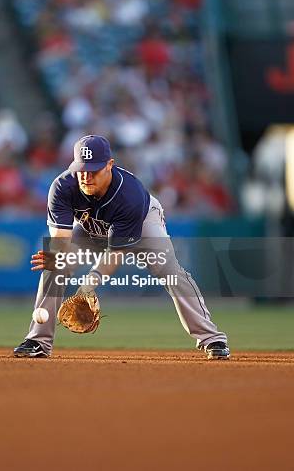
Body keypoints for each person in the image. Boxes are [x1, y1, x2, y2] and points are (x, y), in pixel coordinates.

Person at [14, 135, 230, 360]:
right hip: (88, 228)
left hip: (143, 222)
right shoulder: (62, 186)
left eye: (93, 170)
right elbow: (61, 242)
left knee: (170, 271)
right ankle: (38, 341)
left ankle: (212, 338)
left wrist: (88, 285)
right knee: (53, 265)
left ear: (109, 165)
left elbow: (114, 254)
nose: (86, 177)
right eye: (81, 170)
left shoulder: (129, 194)